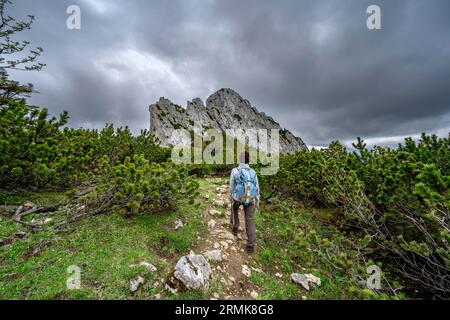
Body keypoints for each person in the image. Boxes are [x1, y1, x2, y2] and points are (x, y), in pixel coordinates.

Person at [229, 151, 260, 254]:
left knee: (234, 208)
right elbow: (257, 189)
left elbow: (231, 187)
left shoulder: (235, 170)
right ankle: (251, 245)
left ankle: (235, 227)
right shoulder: (253, 172)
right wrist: (257, 201)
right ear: (248, 160)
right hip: (251, 198)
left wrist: (232, 197)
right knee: (249, 219)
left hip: (238, 197)